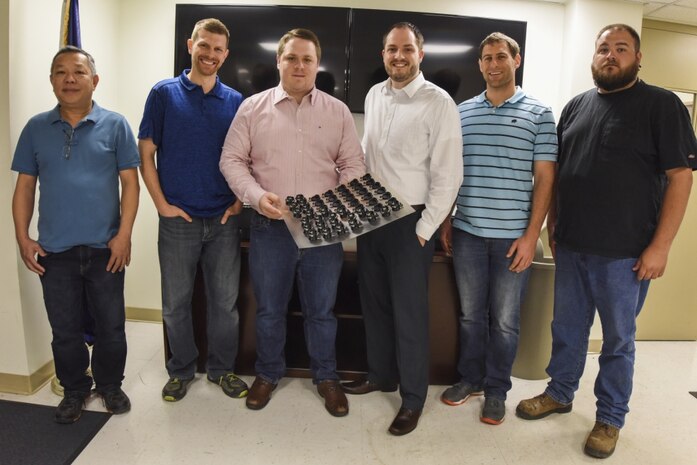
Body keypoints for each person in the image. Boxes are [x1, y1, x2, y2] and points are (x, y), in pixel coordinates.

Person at [516, 24, 696, 459]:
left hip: (627, 253)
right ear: (593, 57)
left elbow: (680, 176)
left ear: (638, 58)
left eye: (621, 49)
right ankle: (560, 393)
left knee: (618, 341)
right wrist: (553, 226)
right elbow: (561, 175)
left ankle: (610, 417)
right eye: (603, 49)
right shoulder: (576, 107)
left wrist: (661, 246)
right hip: (573, 246)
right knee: (567, 330)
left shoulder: (662, 105)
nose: (610, 56)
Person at [219, 28, 366, 417]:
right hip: (270, 228)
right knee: (269, 309)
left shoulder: (337, 112)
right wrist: (254, 196)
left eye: (307, 59)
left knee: (322, 310)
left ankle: (326, 377)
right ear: (279, 61)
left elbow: (353, 165)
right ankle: (267, 374)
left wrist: (337, 203)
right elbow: (231, 159)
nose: (299, 65)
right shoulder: (252, 107)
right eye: (292, 58)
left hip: (322, 230)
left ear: (317, 65)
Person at [341, 22, 463, 436]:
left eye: (406, 49)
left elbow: (449, 174)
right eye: (392, 49)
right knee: (373, 303)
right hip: (371, 217)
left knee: (409, 314)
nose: (398, 56)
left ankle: (412, 398)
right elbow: (366, 152)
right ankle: (381, 375)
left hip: (411, 222)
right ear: (384, 54)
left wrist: (425, 228)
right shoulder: (375, 95)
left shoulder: (438, 102)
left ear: (420, 55)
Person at [11, 46, 140, 423]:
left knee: (111, 327)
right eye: (60, 72)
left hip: (106, 249)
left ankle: (110, 385)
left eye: (78, 72)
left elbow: (131, 185)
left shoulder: (116, 125)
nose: (69, 78)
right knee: (64, 330)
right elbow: (24, 188)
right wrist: (23, 237)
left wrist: (124, 235)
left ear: (94, 81)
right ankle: (73, 390)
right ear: (51, 80)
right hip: (55, 251)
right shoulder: (36, 128)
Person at [438, 32, 557, 425]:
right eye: (487, 58)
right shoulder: (462, 112)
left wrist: (530, 237)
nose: (493, 64)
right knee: (471, 316)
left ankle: (496, 390)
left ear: (516, 60)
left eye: (501, 56)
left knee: (505, 321)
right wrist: (447, 220)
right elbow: (450, 173)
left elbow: (546, 179)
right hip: (468, 232)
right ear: (479, 65)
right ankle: (470, 379)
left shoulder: (539, 114)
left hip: (513, 239)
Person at [138, 18, 248, 402]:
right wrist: (162, 205)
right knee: (175, 303)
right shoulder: (164, 94)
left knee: (225, 304)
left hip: (222, 220)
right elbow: (146, 154)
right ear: (190, 45)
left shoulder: (235, 101)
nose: (211, 54)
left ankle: (222, 370)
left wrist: (238, 201)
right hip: (178, 221)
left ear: (226, 54)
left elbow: (245, 159)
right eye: (204, 45)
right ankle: (181, 370)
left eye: (218, 49)